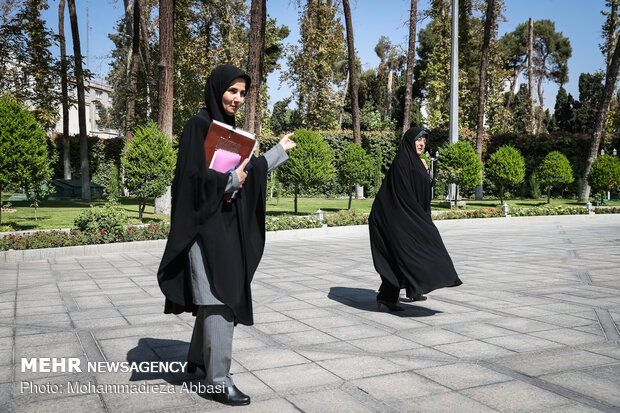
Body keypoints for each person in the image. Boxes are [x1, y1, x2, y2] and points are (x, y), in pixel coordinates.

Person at [157, 65, 295, 406]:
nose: (236, 98)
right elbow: (190, 181)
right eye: (232, 91)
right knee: (219, 298)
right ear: (217, 89)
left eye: (242, 93)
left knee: (216, 293)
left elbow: (248, 171)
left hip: (224, 228)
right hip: (202, 230)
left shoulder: (231, 132)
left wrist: (277, 151)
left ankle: (197, 359)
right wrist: (230, 181)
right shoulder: (198, 126)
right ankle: (217, 380)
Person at [369, 127, 462, 311]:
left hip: (407, 216)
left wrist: (425, 173)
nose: (422, 144)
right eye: (419, 140)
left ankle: (413, 290)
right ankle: (387, 297)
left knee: (412, 250)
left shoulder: (417, 162)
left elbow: (422, 190)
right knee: (403, 253)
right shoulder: (402, 162)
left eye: (424, 141)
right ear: (409, 141)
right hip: (393, 218)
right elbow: (403, 195)